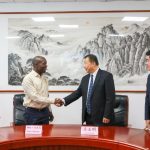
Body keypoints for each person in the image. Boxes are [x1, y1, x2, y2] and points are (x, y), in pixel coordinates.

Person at [57, 54, 115, 126]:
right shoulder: (85, 79)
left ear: (93, 63)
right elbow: (77, 93)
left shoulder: (106, 76)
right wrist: (63, 100)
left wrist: (107, 115)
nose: (84, 66)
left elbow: (110, 98)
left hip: (102, 118)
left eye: (85, 63)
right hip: (88, 117)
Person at [22, 56, 61, 125]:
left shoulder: (45, 78)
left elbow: (46, 96)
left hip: (45, 112)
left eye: (46, 64)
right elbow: (35, 97)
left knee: (45, 135)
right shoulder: (28, 79)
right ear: (36, 65)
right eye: (44, 64)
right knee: (33, 135)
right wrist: (54, 101)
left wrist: (50, 111)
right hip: (32, 113)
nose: (46, 66)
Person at [145, 50, 150, 130]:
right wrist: (147, 118)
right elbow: (147, 98)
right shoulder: (149, 77)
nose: (146, 63)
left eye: (148, 60)